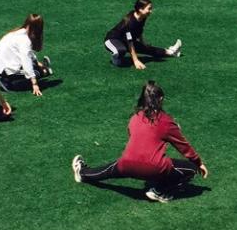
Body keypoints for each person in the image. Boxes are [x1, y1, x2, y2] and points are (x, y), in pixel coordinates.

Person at [72, 81, 208, 203]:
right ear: (160, 99)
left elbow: (134, 136)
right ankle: (159, 191)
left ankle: (82, 173)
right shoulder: (166, 121)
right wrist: (198, 163)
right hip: (154, 167)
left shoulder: (135, 117)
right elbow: (183, 146)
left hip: (126, 163)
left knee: (108, 170)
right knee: (191, 168)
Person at [103, 0, 181, 69]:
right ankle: (116, 58)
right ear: (140, 9)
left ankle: (171, 51)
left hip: (125, 40)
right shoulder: (130, 23)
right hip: (112, 40)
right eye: (149, 9)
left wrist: (143, 43)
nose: (151, 11)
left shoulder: (142, 17)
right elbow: (130, 43)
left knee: (147, 49)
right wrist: (136, 60)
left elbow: (139, 30)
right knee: (121, 50)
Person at [0, 14, 54, 95]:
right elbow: (26, 62)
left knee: (36, 67)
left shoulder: (17, 32)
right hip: (3, 70)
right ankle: (5, 80)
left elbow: (28, 54)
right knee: (39, 73)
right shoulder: (25, 40)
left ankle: (41, 69)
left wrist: (38, 63)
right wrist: (34, 84)